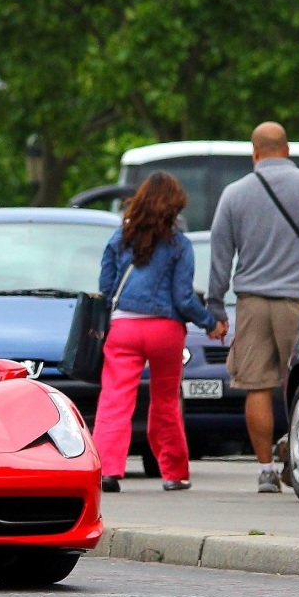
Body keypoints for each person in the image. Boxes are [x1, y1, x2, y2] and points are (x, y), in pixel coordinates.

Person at [207, 122, 299, 493]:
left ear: (254, 153)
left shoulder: (233, 194)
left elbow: (221, 257)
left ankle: (266, 470)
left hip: (251, 302)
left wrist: (216, 309)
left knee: (256, 386)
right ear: (286, 150)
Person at [94, 172, 228, 493]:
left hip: (124, 328)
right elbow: (183, 298)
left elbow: (105, 288)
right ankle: (174, 474)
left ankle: (108, 471)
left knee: (115, 400)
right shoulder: (179, 245)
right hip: (165, 332)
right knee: (166, 402)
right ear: (174, 206)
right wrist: (210, 323)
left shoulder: (118, 239)